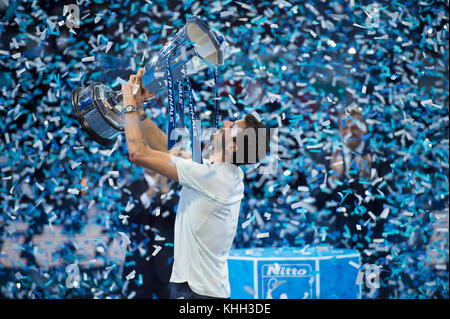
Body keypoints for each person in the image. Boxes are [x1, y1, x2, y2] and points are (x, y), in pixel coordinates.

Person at [120, 68, 270, 299]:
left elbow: (138, 154)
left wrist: (128, 105)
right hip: (199, 290)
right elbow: (166, 149)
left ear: (233, 147)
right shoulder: (221, 172)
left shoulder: (212, 178)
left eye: (233, 127)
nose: (226, 122)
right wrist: (140, 112)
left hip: (197, 293)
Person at [311, 106, 391, 298]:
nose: (349, 132)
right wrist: (333, 180)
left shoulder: (381, 157)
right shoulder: (328, 156)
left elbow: (391, 201)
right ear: (339, 131)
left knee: (374, 294)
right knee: (343, 292)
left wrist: (369, 182)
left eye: (354, 127)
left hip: (374, 242)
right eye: (344, 128)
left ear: (364, 129)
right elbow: (315, 203)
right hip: (340, 243)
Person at [120, 169, 177, 299]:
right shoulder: (131, 187)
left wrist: (164, 190)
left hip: (167, 263)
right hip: (138, 263)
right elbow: (126, 219)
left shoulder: (174, 187)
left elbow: (179, 215)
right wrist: (150, 192)